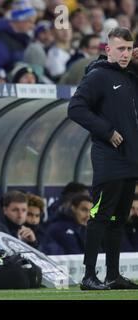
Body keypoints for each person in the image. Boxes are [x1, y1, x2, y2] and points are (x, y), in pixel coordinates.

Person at [68, 27, 138, 290]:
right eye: (120, 48)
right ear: (107, 49)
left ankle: (112, 275)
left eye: (129, 49)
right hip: (109, 160)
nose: (125, 54)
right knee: (99, 217)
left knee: (118, 220)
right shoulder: (98, 76)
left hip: (130, 161)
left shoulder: (130, 75)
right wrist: (107, 131)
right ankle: (88, 276)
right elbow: (75, 108)